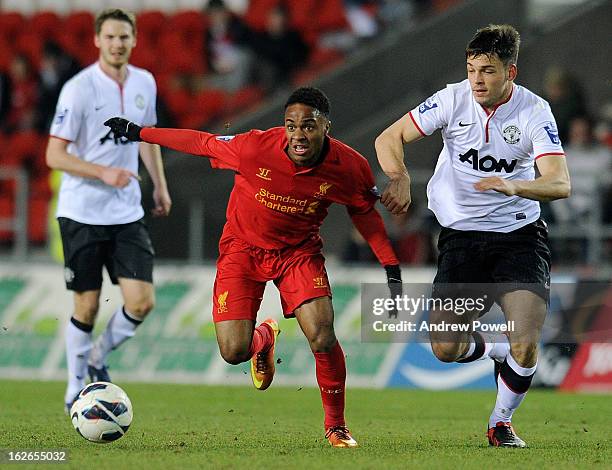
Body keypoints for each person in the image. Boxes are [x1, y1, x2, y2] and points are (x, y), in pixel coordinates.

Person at [105, 86, 402, 448]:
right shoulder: (253, 147)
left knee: (323, 335)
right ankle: (265, 336)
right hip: (242, 250)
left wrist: (391, 267)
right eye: (291, 125)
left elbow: (364, 214)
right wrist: (139, 132)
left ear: (327, 127)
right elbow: (201, 142)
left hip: (298, 252)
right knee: (233, 352)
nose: (298, 134)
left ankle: (336, 426)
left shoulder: (349, 166)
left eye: (308, 126)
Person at [375, 24, 570, 447]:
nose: (477, 80)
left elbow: (559, 183)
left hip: (519, 234)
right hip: (461, 239)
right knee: (444, 347)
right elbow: (389, 137)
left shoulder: (534, 112)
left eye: (487, 71)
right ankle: (495, 349)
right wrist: (401, 175)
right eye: (471, 70)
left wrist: (515, 186)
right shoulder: (452, 99)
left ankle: (501, 423)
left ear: (510, 73)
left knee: (527, 340)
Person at [45, 8, 172, 412]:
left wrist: (160, 188)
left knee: (141, 301)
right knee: (85, 305)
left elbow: (147, 137)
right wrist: (104, 172)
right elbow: (54, 155)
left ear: (134, 40)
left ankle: (98, 357)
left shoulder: (144, 83)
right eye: (111, 37)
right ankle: (73, 387)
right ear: (97, 41)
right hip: (82, 212)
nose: (118, 44)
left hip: (126, 212)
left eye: (124, 37)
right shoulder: (79, 89)